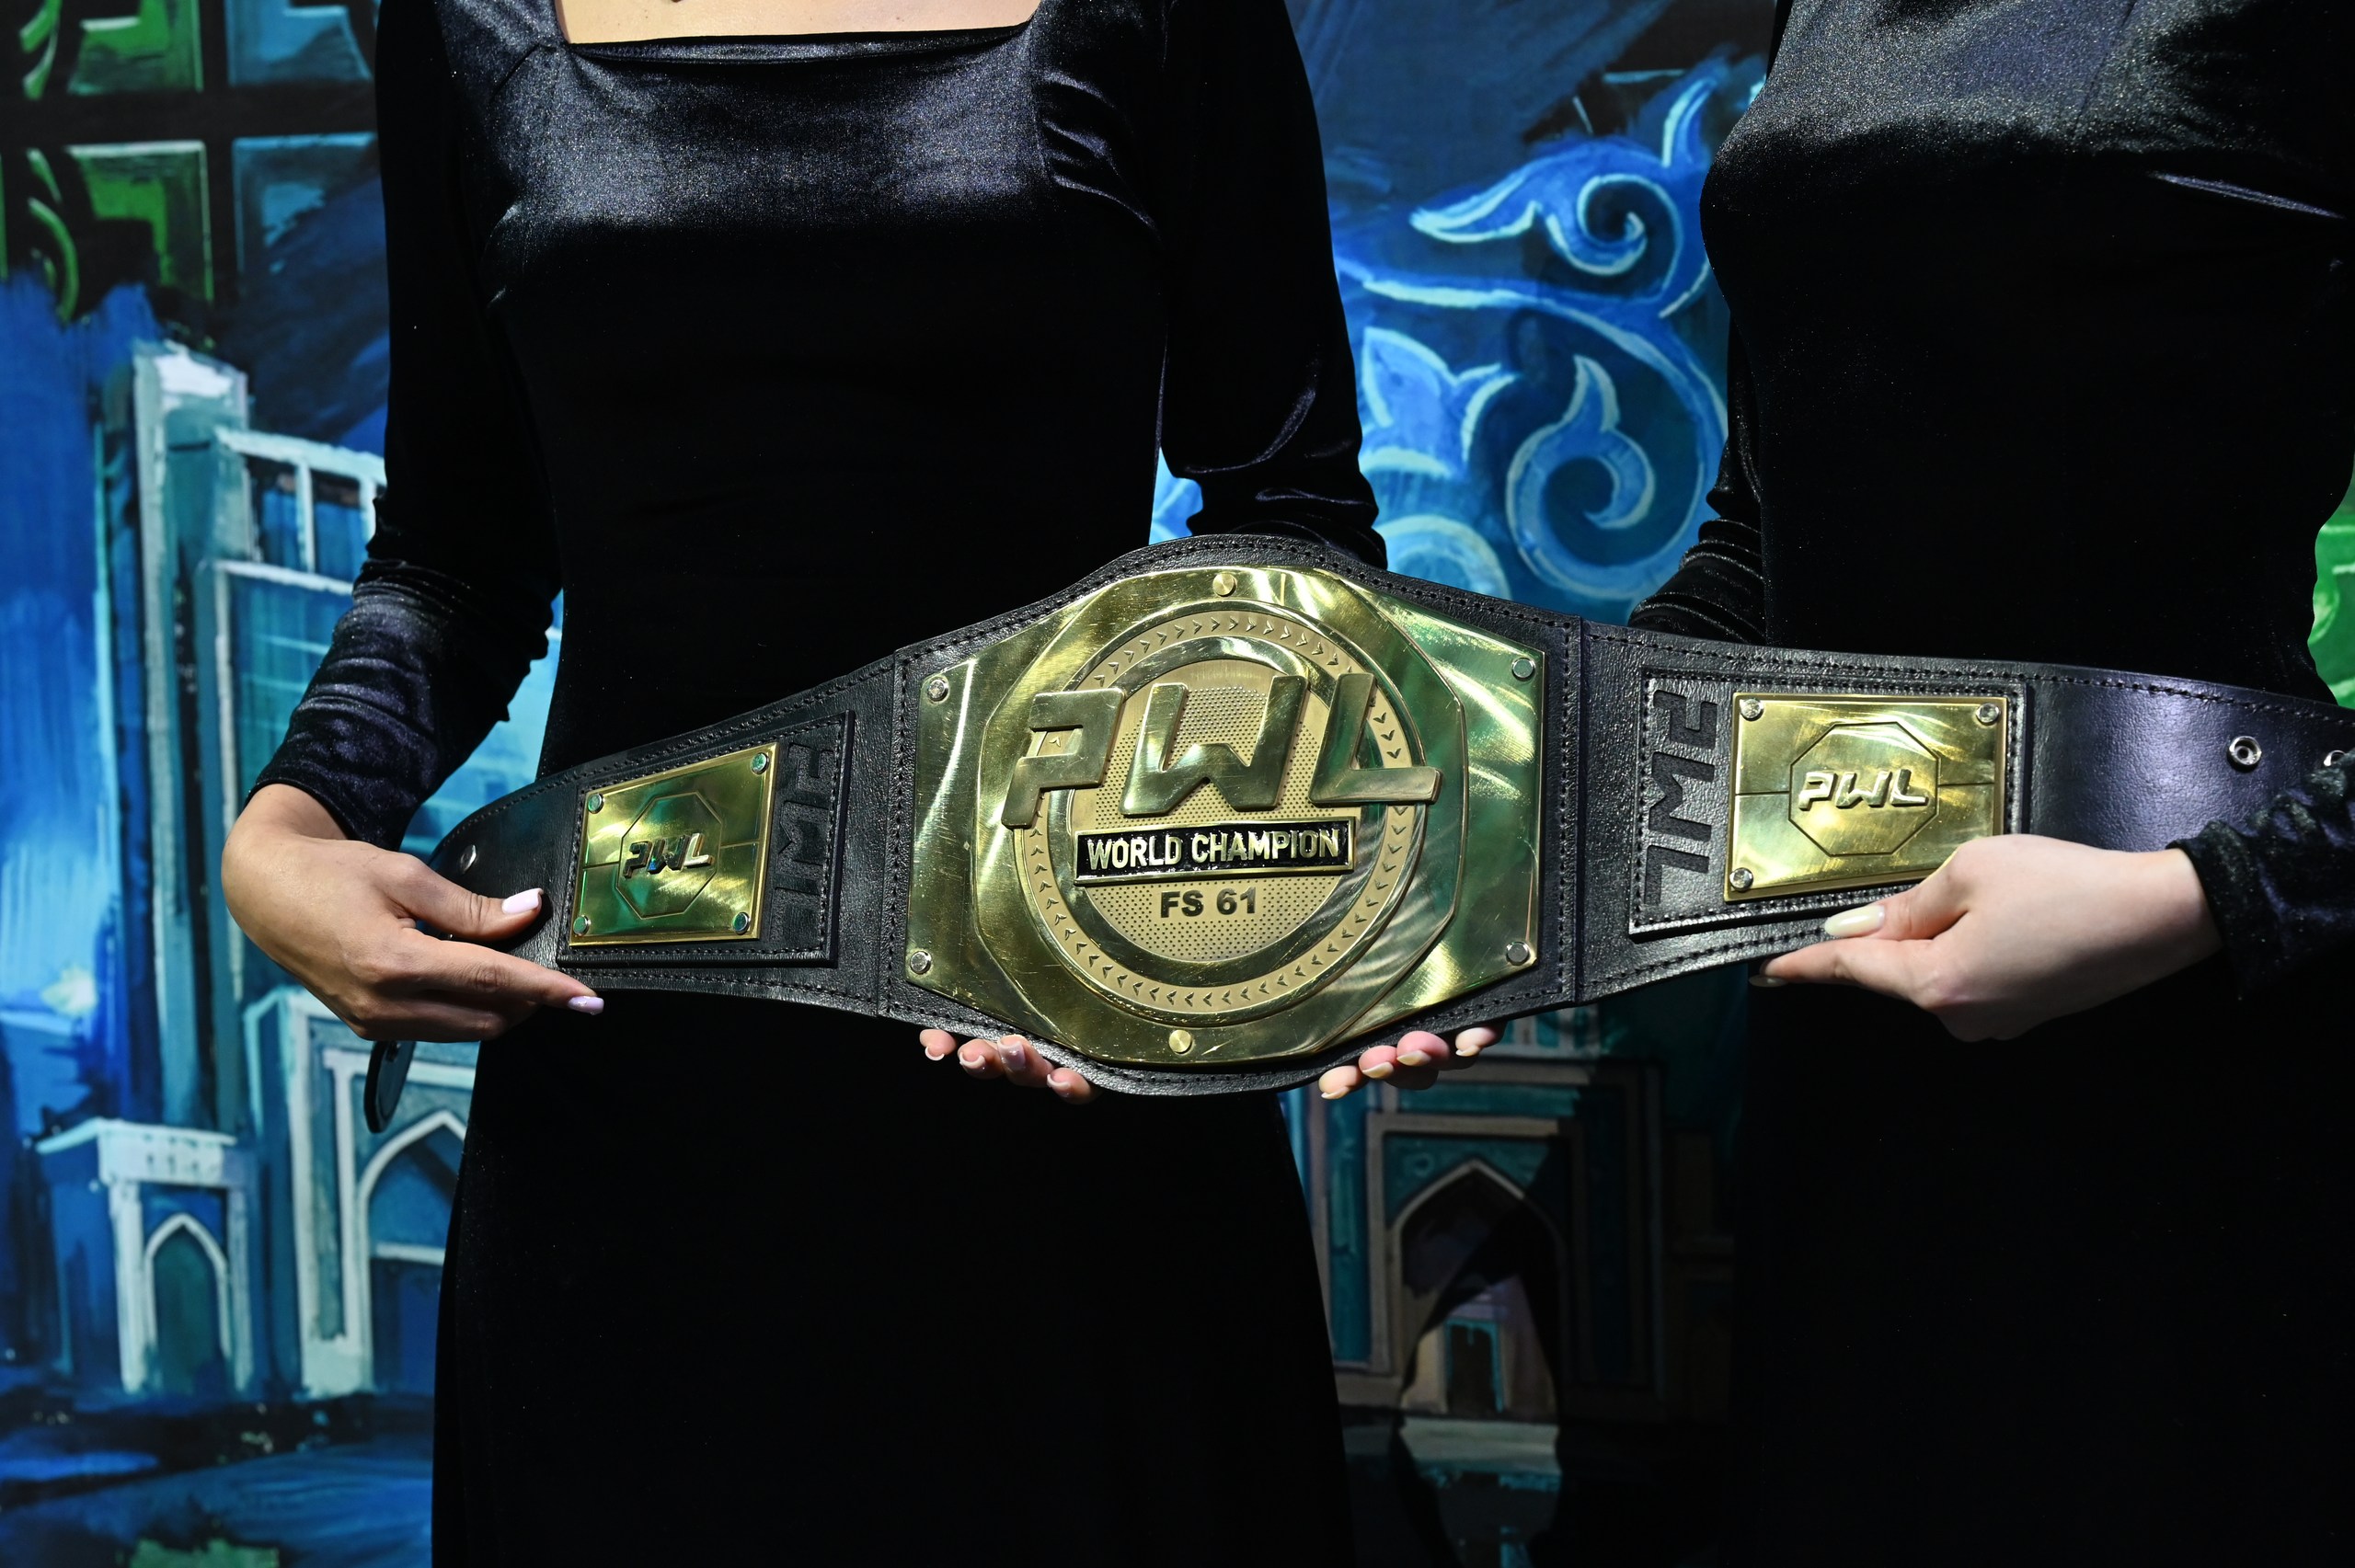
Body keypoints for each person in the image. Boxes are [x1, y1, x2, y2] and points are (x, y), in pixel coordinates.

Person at [221, 0, 1399, 1558]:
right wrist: (286, 830)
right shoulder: (465, 18)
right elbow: (457, 558)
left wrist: (1257, 922)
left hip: (1069, 1060)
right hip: (633, 1105)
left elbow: (1291, 518)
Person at [1626, 0, 2351, 1562]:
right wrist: (1516, 827)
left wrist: (2206, 897)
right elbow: (1759, 541)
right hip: (1854, 1030)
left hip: (2196, 1037)